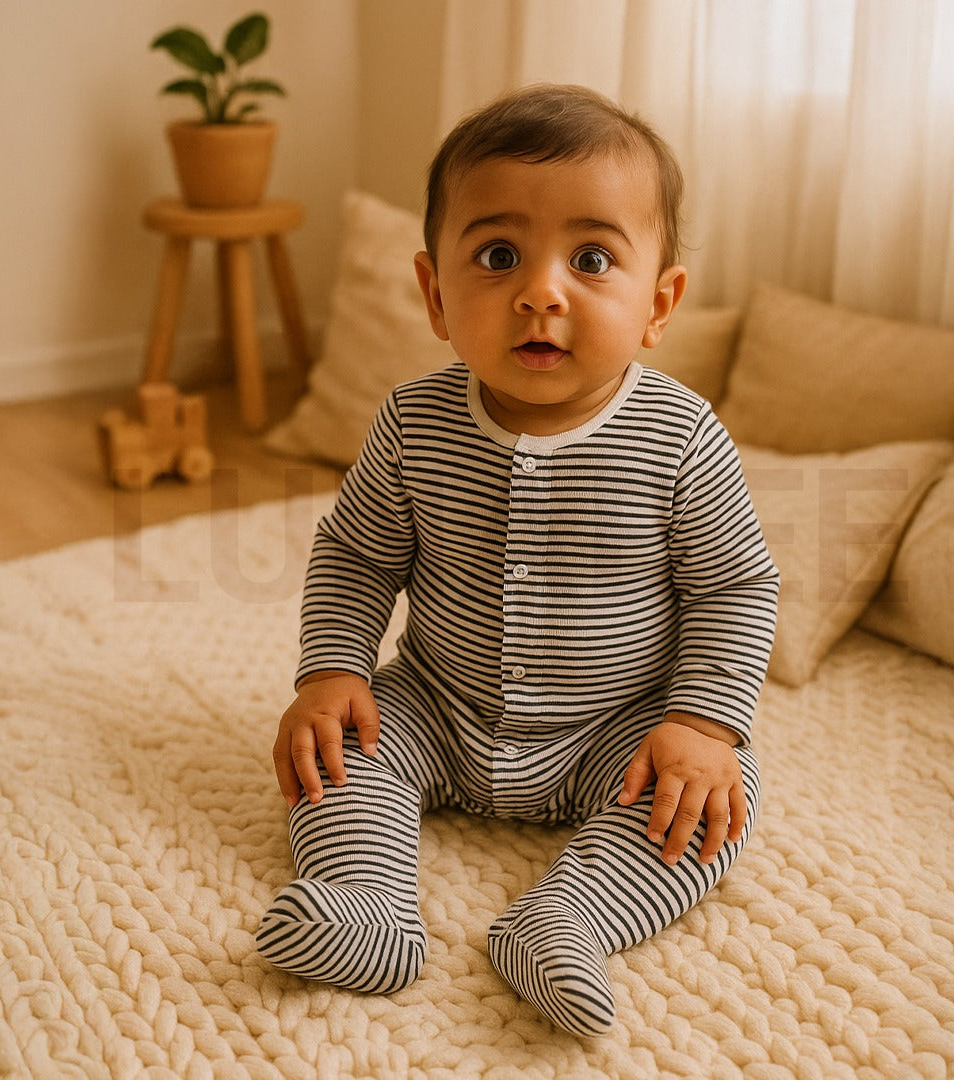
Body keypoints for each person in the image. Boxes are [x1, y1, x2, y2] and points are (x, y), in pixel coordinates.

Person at [256, 83, 779, 1037]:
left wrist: (703, 724)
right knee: (333, 757)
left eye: (591, 258)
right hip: (436, 705)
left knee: (709, 807)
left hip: (612, 725)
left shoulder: (679, 437)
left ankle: (566, 918)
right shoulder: (413, 423)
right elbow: (357, 554)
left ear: (658, 303)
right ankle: (367, 904)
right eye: (499, 256)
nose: (542, 291)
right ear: (435, 294)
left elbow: (735, 585)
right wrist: (332, 670)